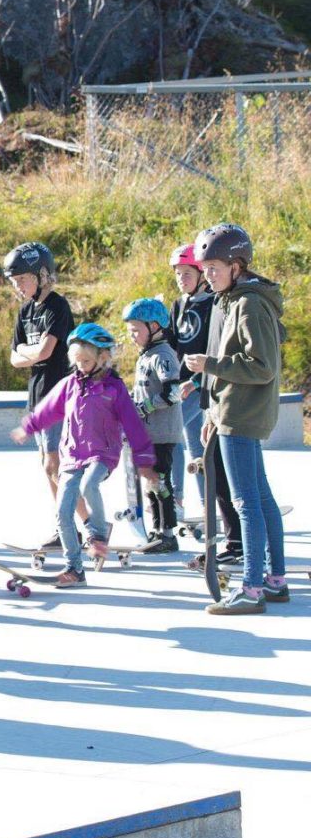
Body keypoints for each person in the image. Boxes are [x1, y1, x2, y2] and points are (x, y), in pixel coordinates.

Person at [184, 222, 289, 615]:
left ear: (237, 265)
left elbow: (260, 366)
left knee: (246, 502)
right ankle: (275, 582)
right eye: (205, 267)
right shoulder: (235, 299)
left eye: (214, 267)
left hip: (242, 415)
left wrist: (209, 364)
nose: (207, 275)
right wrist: (212, 406)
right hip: (232, 410)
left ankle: (252, 589)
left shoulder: (248, 304)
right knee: (260, 498)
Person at [10, 324, 157, 588]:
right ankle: (74, 569)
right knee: (63, 513)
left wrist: (145, 462)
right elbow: (48, 410)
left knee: (90, 485)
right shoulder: (70, 385)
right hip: (72, 456)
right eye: (76, 361)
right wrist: (28, 427)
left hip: (102, 454)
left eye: (86, 361)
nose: (81, 366)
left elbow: (134, 425)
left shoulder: (114, 389)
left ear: (103, 358)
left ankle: (98, 535)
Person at [3, 241, 77, 554]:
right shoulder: (26, 312)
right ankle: (69, 526)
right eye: (15, 282)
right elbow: (13, 358)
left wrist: (29, 354)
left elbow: (46, 351)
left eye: (22, 280)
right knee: (49, 467)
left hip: (58, 396)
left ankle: (76, 527)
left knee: (56, 465)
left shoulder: (57, 306)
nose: (18, 287)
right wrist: (31, 354)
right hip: (36, 399)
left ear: (43, 275)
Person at [122, 298, 182, 554]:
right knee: (150, 482)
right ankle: (156, 531)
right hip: (147, 433)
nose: (132, 335)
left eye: (136, 330)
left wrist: (144, 407)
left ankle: (168, 534)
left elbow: (172, 393)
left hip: (162, 433)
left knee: (160, 482)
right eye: (130, 331)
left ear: (154, 326)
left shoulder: (164, 356)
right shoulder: (146, 355)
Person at [168, 244, 214, 520]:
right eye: (177, 274)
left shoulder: (212, 304)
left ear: (201, 275)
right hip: (180, 384)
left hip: (201, 383)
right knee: (196, 445)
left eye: (187, 273)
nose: (181, 279)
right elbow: (173, 346)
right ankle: (207, 502)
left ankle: (175, 499)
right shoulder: (178, 304)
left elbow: (215, 349)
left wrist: (196, 382)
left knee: (172, 433)